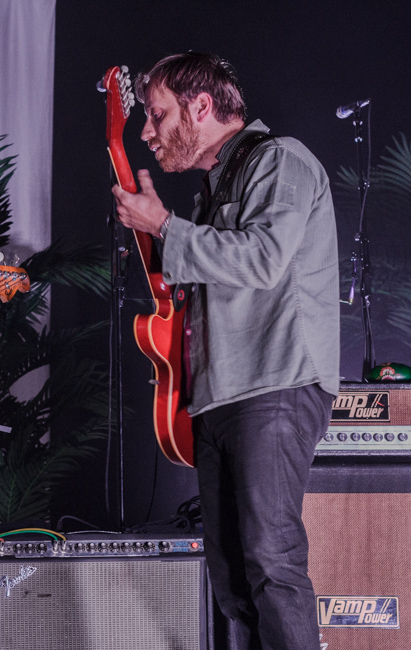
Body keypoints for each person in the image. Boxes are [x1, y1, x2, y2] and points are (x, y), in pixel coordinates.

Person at [112, 53, 340, 650]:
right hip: (218, 395)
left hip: (276, 385)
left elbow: (262, 260)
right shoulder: (209, 193)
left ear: (202, 108)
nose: (147, 133)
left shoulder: (281, 160)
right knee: (231, 580)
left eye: (157, 115)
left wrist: (164, 228)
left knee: (272, 561)